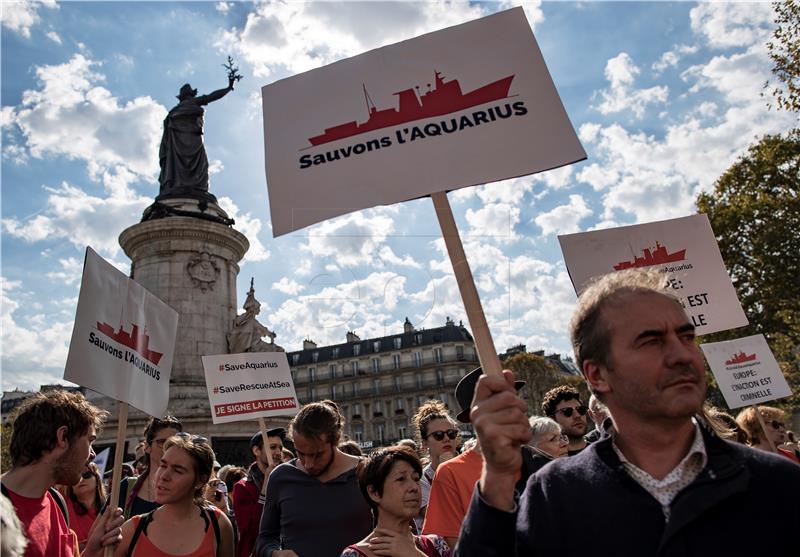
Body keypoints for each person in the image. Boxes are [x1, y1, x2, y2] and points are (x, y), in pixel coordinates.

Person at [456, 268, 800, 556]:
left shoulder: (778, 483)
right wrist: (498, 477)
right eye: (651, 341)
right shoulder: (554, 495)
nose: (682, 355)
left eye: (686, 336)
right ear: (597, 375)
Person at [1, 390, 124, 557]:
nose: (93, 454)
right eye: (90, 440)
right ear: (63, 437)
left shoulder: (57, 502)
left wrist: (93, 551)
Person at [422, 369, 529, 549]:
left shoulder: (540, 461)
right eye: (496, 400)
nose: (511, 405)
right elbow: (457, 547)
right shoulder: (450, 473)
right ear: (475, 415)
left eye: (512, 395)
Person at [255, 400, 372, 557]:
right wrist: (274, 553)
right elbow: (265, 539)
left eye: (317, 454)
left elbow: (399, 530)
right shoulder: (281, 477)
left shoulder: (368, 472)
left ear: (335, 441)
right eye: (300, 453)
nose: (308, 464)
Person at [114, 434, 234, 557]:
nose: (164, 476)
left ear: (200, 480)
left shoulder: (219, 524)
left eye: (178, 470)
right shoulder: (131, 531)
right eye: (163, 465)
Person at [341, 446, 452, 557]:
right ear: (374, 492)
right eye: (401, 479)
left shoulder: (436, 545)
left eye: (416, 479)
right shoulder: (354, 554)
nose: (414, 487)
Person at [158, 78, 234, 197]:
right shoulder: (192, 103)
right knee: (200, 166)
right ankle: (195, 188)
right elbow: (213, 96)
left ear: (181, 96)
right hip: (193, 140)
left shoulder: (173, 112)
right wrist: (228, 88)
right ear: (191, 94)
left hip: (176, 146)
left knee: (178, 165)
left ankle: (176, 184)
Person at [233, 429, 285, 557]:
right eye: (272, 447)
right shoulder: (242, 487)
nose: (278, 452)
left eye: (280, 448)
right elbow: (251, 531)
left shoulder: (287, 481)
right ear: (256, 451)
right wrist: (265, 486)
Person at [119, 416, 183, 519]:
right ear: (147, 447)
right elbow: (98, 531)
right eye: (162, 442)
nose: (169, 448)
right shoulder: (127, 488)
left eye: (176, 443)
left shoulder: (188, 489)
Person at [410, 400, 460, 530]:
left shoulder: (470, 467)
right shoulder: (419, 480)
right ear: (425, 443)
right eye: (438, 435)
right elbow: (442, 515)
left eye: (451, 433)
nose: (446, 439)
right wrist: (445, 471)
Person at [65, 463, 106, 551]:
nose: (81, 479)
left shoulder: (109, 510)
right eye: (77, 476)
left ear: (97, 480)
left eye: (86, 474)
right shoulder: (63, 506)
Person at [541, 385, 588, 455]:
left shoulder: (603, 451)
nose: (577, 416)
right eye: (567, 411)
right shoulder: (550, 462)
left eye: (581, 410)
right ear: (552, 420)